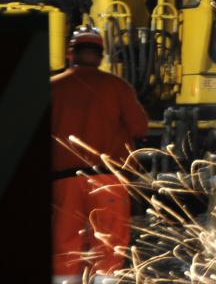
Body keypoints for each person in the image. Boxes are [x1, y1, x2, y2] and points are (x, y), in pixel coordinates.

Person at [51, 26, 149, 284]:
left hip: (64, 181)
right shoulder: (117, 87)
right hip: (108, 180)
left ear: (70, 53)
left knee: (65, 243)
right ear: (101, 54)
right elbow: (140, 127)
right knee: (109, 243)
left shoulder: (52, 87)